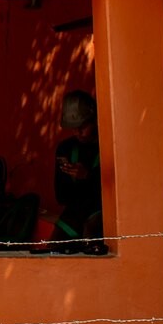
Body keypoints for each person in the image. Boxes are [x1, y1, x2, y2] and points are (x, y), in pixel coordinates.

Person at [52, 89, 103, 246]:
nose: (78, 132)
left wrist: (88, 176)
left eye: (82, 126)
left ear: (94, 120)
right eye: (73, 128)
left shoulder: (109, 146)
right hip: (75, 214)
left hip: (102, 213)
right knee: (54, 248)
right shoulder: (66, 149)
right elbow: (62, 197)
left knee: (92, 234)